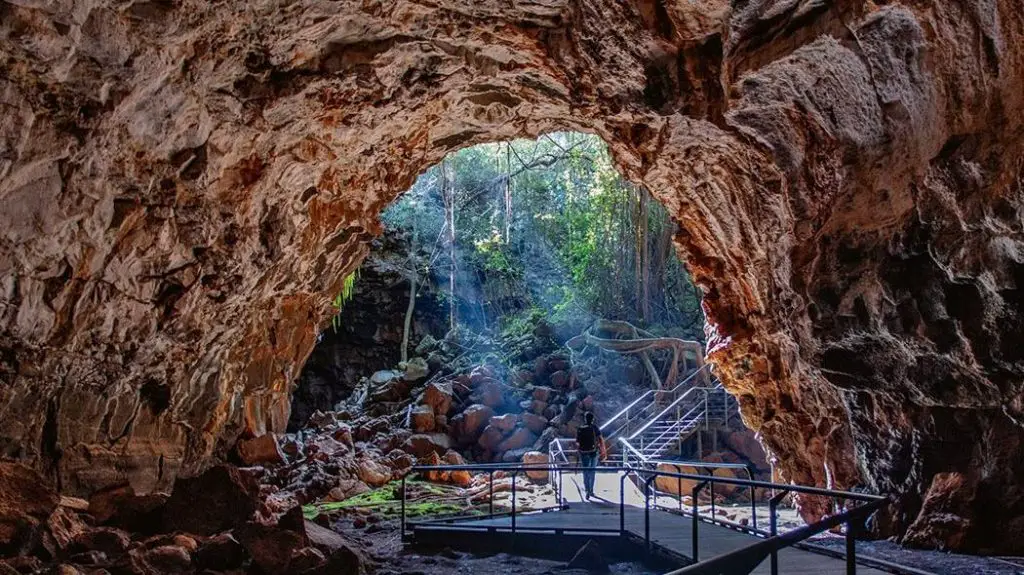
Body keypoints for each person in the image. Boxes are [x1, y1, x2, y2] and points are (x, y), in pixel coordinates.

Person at [576, 411, 607, 499]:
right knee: (592, 470)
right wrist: (603, 452)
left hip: (584, 453)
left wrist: (579, 451)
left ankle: (586, 490)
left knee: (585, 471)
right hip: (594, 452)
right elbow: (601, 440)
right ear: (593, 419)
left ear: (585, 419)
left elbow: (577, 443)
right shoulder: (595, 428)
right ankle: (591, 490)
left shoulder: (580, 428)